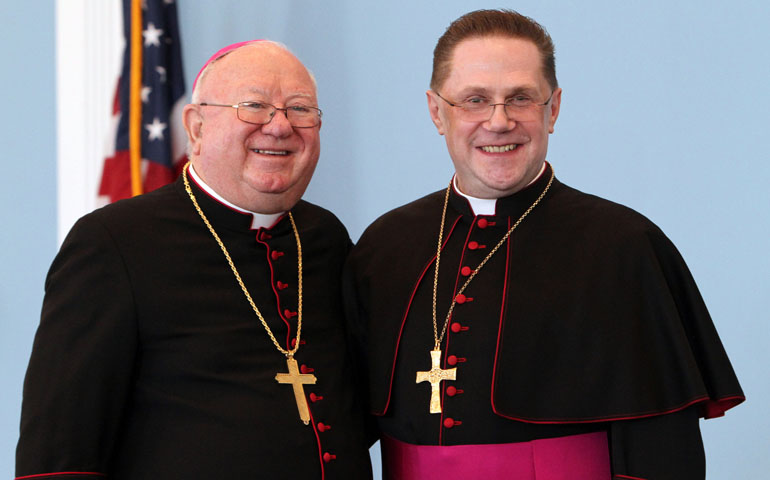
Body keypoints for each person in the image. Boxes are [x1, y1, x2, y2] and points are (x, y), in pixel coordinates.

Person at [344, 9, 744, 480]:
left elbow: (662, 448)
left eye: (520, 98)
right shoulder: (384, 246)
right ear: (437, 112)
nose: (499, 121)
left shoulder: (625, 246)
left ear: (552, 110)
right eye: (474, 100)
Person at [16, 40, 372, 479]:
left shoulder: (325, 237)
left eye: (300, 109)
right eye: (253, 106)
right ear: (197, 127)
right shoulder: (114, 242)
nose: (279, 127)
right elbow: (58, 451)